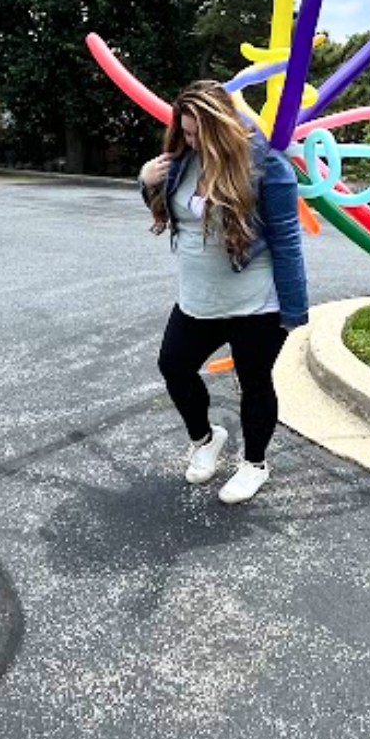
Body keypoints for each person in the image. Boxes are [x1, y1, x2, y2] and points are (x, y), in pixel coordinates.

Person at [138, 79, 309, 504]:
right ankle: (206, 438)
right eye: (186, 132)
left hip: (256, 302)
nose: (190, 141)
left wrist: (294, 309)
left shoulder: (267, 167)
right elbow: (169, 208)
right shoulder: (180, 162)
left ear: (222, 126)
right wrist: (145, 181)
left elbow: (287, 240)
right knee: (174, 367)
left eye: (198, 133)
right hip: (197, 298)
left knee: (253, 382)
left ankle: (254, 464)